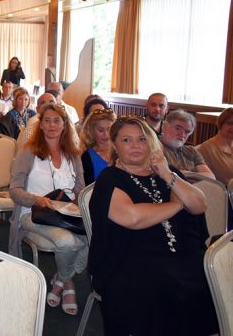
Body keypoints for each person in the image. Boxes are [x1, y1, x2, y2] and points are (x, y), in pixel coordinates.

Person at [88, 116, 218, 335]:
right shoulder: (110, 178)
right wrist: (177, 204)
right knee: (166, 285)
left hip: (182, 254)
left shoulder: (167, 173)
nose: (136, 145)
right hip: (129, 259)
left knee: (211, 277)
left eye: (142, 139)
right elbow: (133, 218)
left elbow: (199, 204)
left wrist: (167, 174)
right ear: (115, 145)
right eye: (127, 140)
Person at [8, 103, 86, 316]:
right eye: (47, 121)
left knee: (94, 236)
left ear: (64, 125)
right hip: (34, 214)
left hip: (65, 215)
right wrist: (36, 199)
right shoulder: (28, 152)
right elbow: (14, 190)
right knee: (67, 242)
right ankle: (68, 282)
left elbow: (80, 190)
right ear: (40, 125)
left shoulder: (73, 154)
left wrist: (75, 204)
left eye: (57, 121)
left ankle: (61, 278)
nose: (52, 125)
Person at [161, 109, 215, 178]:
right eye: (178, 128)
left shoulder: (191, 151)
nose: (182, 135)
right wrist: (196, 176)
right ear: (164, 127)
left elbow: (211, 177)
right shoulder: (155, 148)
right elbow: (165, 176)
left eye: (187, 132)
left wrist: (187, 174)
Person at [79, 108, 116, 185]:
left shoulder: (121, 151)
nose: (106, 134)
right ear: (92, 131)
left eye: (109, 129)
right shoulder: (87, 157)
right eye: (101, 130)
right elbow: (88, 188)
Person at [197, 107, 233, 184]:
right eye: (229, 123)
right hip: (222, 190)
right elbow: (204, 181)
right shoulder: (206, 148)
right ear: (221, 124)